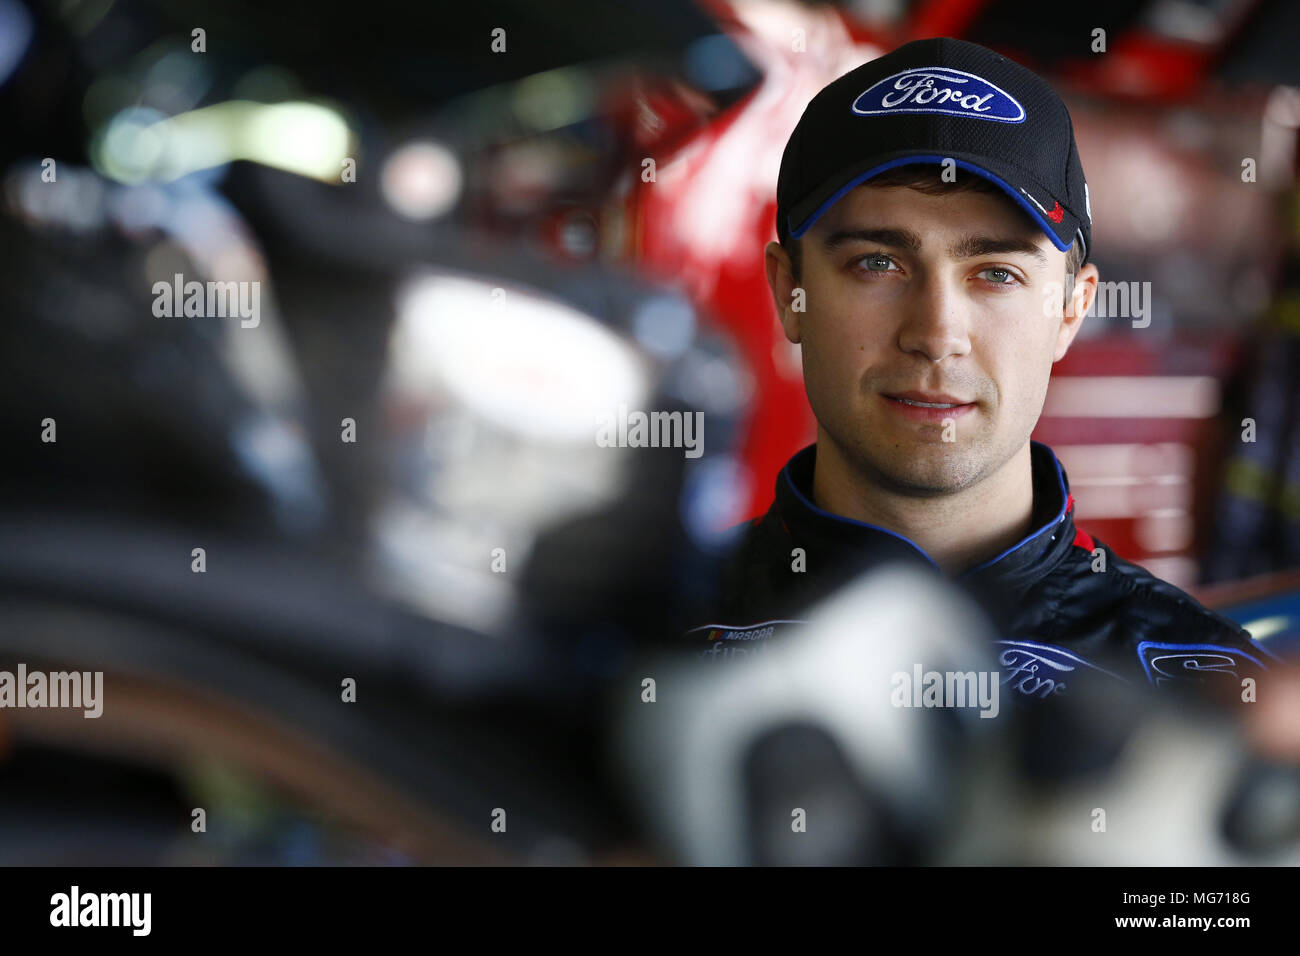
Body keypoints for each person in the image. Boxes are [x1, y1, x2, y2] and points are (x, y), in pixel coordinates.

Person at [689, 37, 1278, 701]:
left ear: (1070, 311)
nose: (937, 336)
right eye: (877, 264)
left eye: (996, 273)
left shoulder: (1211, 693)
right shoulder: (642, 643)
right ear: (788, 292)